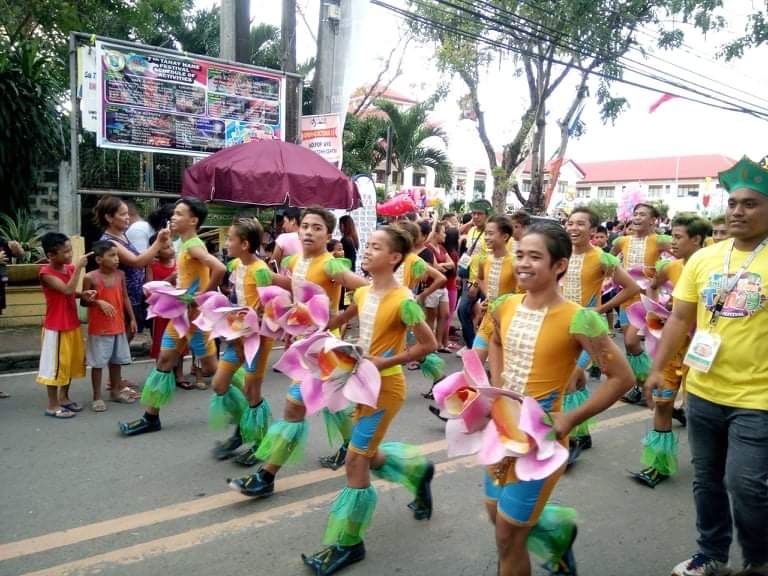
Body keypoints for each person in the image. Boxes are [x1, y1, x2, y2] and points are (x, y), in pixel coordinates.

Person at [487, 223, 634, 576]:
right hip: (500, 432)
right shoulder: (504, 305)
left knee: (508, 536)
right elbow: (495, 340)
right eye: (520, 254)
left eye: (535, 256)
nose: (522, 263)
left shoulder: (579, 318)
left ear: (559, 266)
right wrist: (496, 387)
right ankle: (556, 534)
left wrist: (569, 419)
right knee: (496, 515)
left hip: (542, 440)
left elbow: (622, 378)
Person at [646, 157, 768, 576]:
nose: (737, 211)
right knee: (706, 479)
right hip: (702, 389)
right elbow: (680, 319)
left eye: (750, 204)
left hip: (759, 397)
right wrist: (659, 369)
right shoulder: (705, 260)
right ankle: (712, 554)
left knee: (747, 485)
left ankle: (758, 559)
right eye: (733, 203)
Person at [300, 225, 438, 576]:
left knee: (355, 460)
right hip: (358, 382)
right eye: (369, 246)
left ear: (394, 258)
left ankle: (350, 544)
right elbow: (342, 319)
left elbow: (428, 345)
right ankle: (417, 471)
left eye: (376, 247)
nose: (367, 251)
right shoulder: (362, 293)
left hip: (385, 389)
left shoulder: (404, 301)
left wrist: (383, 361)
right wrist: (313, 328)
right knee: (369, 453)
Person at [228, 207, 368, 491]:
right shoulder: (295, 261)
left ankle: (266, 477)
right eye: (305, 226)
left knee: (294, 408)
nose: (308, 231)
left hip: (323, 351)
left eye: (317, 228)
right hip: (303, 347)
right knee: (334, 405)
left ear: (329, 235)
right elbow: (296, 286)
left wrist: (338, 318)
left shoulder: (330, 265)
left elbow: (365, 289)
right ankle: (361, 449)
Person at [119, 198, 226, 436]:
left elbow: (219, 268)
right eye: (174, 214)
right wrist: (167, 286)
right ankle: (151, 417)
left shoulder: (194, 245)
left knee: (212, 370)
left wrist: (201, 297)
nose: (173, 217)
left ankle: (247, 410)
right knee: (164, 362)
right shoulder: (182, 243)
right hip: (180, 317)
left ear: (193, 220)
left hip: (196, 319)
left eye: (179, 214)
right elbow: (186, 273)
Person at [629, 214, 711, 489]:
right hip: (672, 349)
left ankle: (713, 464)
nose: (672, 242)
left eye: (678, 237)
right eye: (672, 236)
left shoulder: (716, 269)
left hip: (703, 353)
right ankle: (659, 463)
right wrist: (655, 310)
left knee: (702, 412)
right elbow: (652, 285)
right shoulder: (670, 267)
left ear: (697, 239)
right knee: (663, 403)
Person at [561, 207, 641, 462]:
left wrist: (601, 308)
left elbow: (631, 287)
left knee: (569, 379)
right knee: (578, 380)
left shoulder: (603, 259)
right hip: (560, 326)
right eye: (570, 223)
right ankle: (582, 433)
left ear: (593, 231)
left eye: (580, 224)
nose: (573, 228)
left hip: (588, 329)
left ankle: (571, 439)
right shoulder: (560, 254)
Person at [210, 219, 291, 465]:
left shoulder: (260, 270)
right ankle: (243, 430)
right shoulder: (236, 264)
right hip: (237, 338)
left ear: (245, 244)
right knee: (219, 384)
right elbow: (237, 299)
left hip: (256, 340)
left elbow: (273, 304)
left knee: (251, 391)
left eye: (231, 239)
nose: (227, 243)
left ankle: (260, 442)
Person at [611, 203, 672, 404]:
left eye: (642, 215)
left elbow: (682, 254)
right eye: (635, 213)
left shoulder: (660, 240)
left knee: (630, 341)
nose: (637, 217)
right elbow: (608, 261)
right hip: (624, 298)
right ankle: (640, 387)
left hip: (646, 300)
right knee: (630, 347)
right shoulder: (622, 241)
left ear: (653, 220)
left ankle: (647, 385)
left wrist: (664, 274)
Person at [94, 196, 171, 342]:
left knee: (127, 335)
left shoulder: (121, 236)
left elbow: (138, 257)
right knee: (121, 337)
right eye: (122, 214)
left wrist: (150, 256)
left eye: (127, 213)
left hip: (132, 296)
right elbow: (136, 262)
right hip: (122, 296)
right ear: (109, 218)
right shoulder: (110, 241)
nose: (127, 217)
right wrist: (159, 242)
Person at [36, 233, 95, 418]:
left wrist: (83, 295)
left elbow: (71, 292)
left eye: (70, 250)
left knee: (69, 364)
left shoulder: (68, 268)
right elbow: (66, 289)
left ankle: (64, 397)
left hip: (72, 323)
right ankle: (52, 405)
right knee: (54, 367)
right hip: (56, 326)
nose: (70, 255)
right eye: (65, 252)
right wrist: (78, 268)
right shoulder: (45, 273)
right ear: (51, 255)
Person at [81, 240, 138, 412]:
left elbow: (125, 297)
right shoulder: (90, 277)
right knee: (98, 364)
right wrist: (97, 302)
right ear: (99, 259)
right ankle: (97, 397)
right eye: (111, 255)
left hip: (118, 325)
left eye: (117, 255)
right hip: (99, 328)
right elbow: (84, 301)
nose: (116, 259)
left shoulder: (120, 275)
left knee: (116, 362)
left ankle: (115, 391)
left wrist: (132, 318)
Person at [472, 215, 517, 364]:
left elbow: (524, 294)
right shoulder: (484, 259)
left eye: (491, 233)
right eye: (486, 233)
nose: (486, 237)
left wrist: (502, 303)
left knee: (500, 374)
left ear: (505, 236)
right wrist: (488, 297)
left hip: (508, 323)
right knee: (473, 366)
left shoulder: (516, 263)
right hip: (487, 320)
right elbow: (480, 278)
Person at [146, 235, 185, 385]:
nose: (171, 250)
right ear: (156, 251)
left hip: (178, 308)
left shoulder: (179, 263)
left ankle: (179, 374)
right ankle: (161, 374)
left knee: (180, 341)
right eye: (166, 247)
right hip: (161, 310)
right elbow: (150, 289)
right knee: (161, 342)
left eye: (171, 246)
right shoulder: (152, 266)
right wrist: (170, 278)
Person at [457, 199, 492, 352]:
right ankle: (472, 346)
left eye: (480, 214)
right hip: (469, 278)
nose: (476, 217)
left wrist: (477, 284)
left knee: (489, 316)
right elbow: (469, 254)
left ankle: (485, 349)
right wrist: (460, 273)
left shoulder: (491, 233)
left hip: (486, 281)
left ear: (487, 215)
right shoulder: (471, 231)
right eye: (474, 213)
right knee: (463, 311)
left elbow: (486, 260)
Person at [423, 221, 452, 353]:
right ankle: (430, 344)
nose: (445, 235)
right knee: (431, 316)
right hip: (432, 286)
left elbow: (451, 264)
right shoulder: (428, 248)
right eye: (443, 232)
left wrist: (442, 266)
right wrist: (443, 266)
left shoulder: (442, 248)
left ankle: (439, 343)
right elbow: (434, 267)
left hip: (443, 286)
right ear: (435, 234)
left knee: (444, 315)